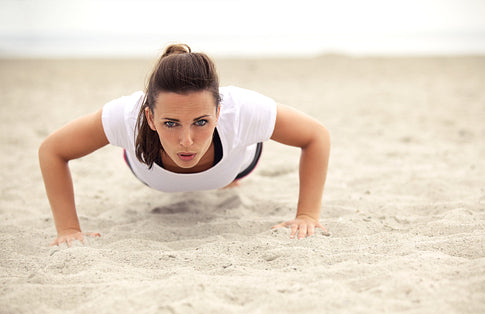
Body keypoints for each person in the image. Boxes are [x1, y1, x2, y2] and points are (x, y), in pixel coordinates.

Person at [39, 44, 330, 247]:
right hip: (148, 169)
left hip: (235, 166)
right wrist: (68, 229)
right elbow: (52, 150)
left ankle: (227, 178)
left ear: (218, 113)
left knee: (230, 165)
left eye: (201, 122)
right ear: (150, 117)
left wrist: (306, 215)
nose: (186, 140)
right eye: (170, 123)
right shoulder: (126, 116)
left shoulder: (242, 110)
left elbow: (316, 136)